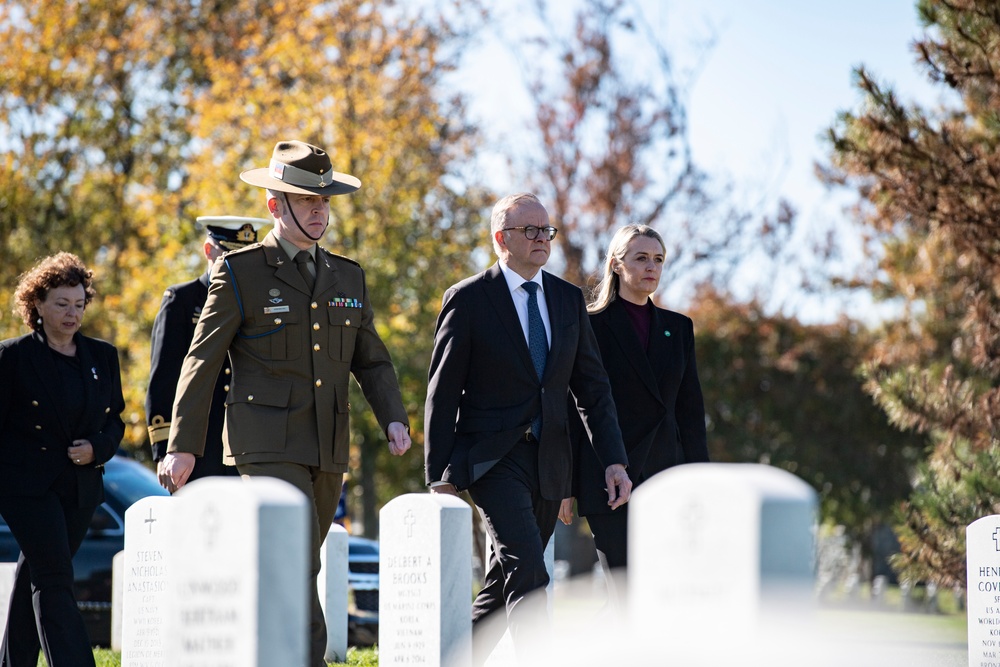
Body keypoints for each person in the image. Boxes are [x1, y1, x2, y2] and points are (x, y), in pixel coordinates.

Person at [159, 139, 411, 667]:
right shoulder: (240, 271)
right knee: (294, 560)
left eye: (325, 202)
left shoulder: (349, 275)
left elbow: (372, 359)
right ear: (276, 205)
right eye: (308, 201)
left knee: (303, 564)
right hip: (265, 444)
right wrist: (182, 446)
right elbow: (201, 363)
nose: (320, 211)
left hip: (328, 442)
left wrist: (392, 416)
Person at [424, 192, 632, 664]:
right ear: (502, 239)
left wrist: (614, 459)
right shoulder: (469, 298)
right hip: (490, 459)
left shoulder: (566, 299)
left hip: (550, 462)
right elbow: (442, 390)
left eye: (547, 231)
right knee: (529, 572)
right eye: (530, 231)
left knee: (505, 582)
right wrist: (440, 474)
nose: (543, 239)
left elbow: (593, 389)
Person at [559, 224, 709, 583]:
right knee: (625, 589)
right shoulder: (589, 325)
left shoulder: (679, 328)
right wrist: (565, 486)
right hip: (607, 478)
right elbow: (572, 409)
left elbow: (690, 411)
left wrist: (702, 480)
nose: (651, 267)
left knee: (665, 589)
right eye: (641, 258)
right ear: (616, 264)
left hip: (667, 475)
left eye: (658, 259)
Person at [0, 252, 125, 667]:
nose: (72, 313)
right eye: (61, 304)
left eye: (79, 304)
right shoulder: (12, 357)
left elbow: (115, 422)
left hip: (80, 487)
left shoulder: (102, 356)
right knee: (55, 577)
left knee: (35, 573)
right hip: (26, 488)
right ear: (36, 304)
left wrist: (97, 448)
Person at [145, 215, 266, 484]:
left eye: (245, 256)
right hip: (198, 445)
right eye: (230, 255)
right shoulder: (182, 300)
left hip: (249, 443)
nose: (238, 264)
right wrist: (168, 449)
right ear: (209, 251)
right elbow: (164, 378)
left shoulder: (262, 303)